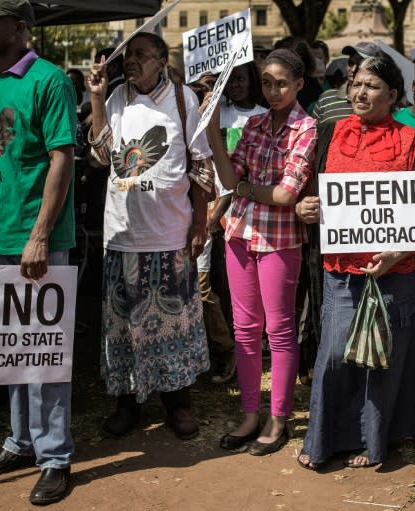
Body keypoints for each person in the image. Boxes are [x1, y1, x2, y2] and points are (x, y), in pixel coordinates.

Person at [295, 52, 415, 470]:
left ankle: (374, 439)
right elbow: (316, 195)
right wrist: (308, 208)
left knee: (384, 357)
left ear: (393, 94)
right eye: (356, 83)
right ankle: (326, 438)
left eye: (371, 86)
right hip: (342, 268)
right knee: (337, 352)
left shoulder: (411, 140)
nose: (360, 91)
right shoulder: (333, 132)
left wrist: (399, 250)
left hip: (397, 269)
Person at [0, 0, 77, 505]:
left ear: (20, 27)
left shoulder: (50, 80)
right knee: (13, 350)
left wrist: (39, 235)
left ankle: (55, 458)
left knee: (45, 354)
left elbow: (62, 158)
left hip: (38, 241)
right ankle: (21, 441)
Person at [87, 32, 213, 440]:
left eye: (141, 54)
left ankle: (178, 405)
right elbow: (101, 156)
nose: (131, 61)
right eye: (129, 55)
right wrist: (95, 97)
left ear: (161, 60)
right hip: (123, 236)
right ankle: (129, 404)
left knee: (173, 325)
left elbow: (200, 164)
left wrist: (199, 223)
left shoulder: (182, 99)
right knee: (124, 327)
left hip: (169, 234)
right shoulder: (117, 97)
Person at [204, 48, 316, 456]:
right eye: (266, 82)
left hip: (280, 239)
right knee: (245, 330)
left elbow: (287, 193)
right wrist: (213, 130)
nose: (272, 90)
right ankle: (251, 414)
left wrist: (246, 190)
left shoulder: (307, 128)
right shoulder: (253, 124)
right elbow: (231, 176)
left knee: (280, 331)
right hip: (239, 234)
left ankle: (279, 417)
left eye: (281, 83)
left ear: (299, 84)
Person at [203, 61, 268, 384]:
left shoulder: (261, 116)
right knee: (214, 285)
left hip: (243, 212)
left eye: (241, 79)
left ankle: (246, 351)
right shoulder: (218, 112)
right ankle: (227, 351)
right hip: (211, 208)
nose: (235, 85)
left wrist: (220, 210)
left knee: (238, 289)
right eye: (231, 80)